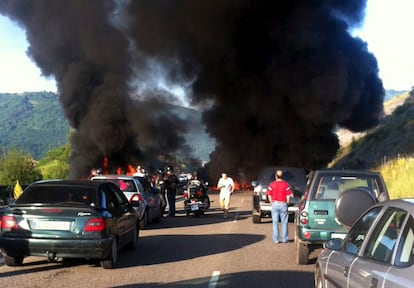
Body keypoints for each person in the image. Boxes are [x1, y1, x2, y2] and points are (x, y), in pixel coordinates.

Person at [267, 169, 292, 244]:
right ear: (282, 176)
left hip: (275, 204)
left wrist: (272, 202)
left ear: (275, 176)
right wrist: (287, 202)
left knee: (275, 222)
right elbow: (288, 195)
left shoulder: (272, 184)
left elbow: (269, 194)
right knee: (284, 222)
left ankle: (276, 240)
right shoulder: (286, 184)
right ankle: (284, 239)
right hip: (283, 204)